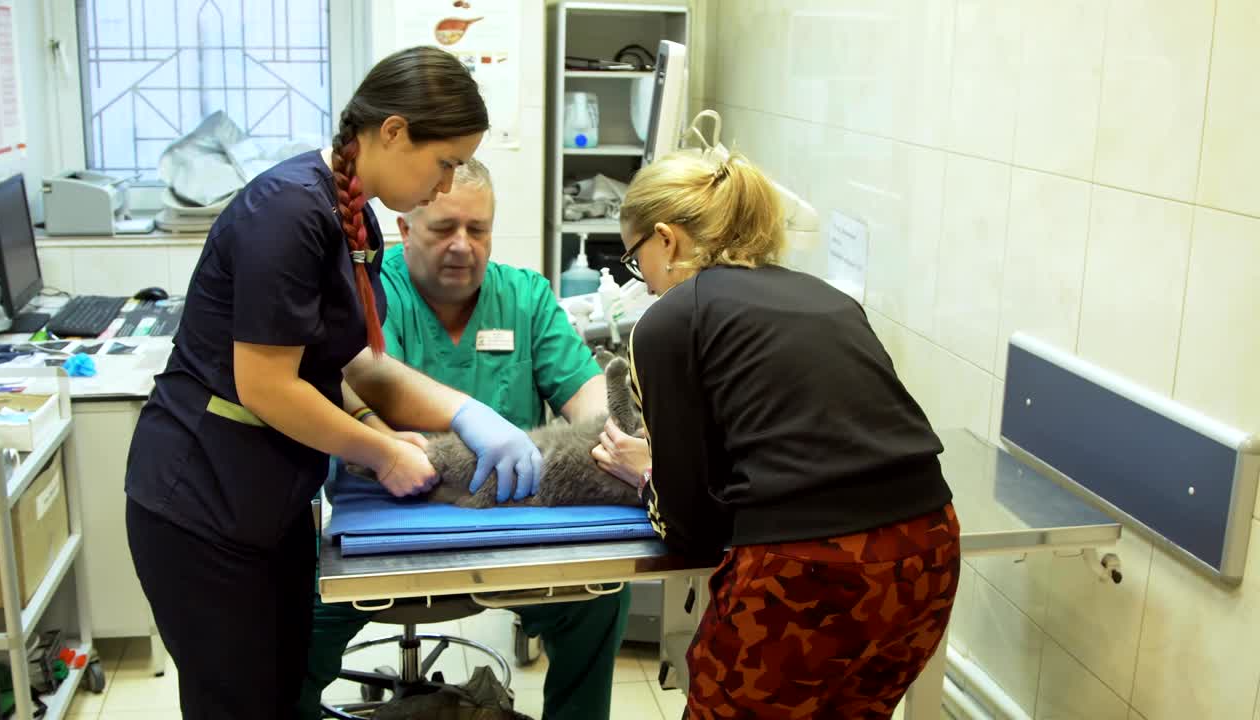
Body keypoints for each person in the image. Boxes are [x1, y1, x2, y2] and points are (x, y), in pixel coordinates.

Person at [124, 47, 546, 719]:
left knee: (281, 689)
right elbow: (265, 386)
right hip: (201, 502)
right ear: (395, 131)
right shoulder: (286, 213)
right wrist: (379, 452)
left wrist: (466, 413)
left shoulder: (354, 217)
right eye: (444, 163)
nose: (445, 186)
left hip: (270, 500)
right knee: (238, 701)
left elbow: (360, 363)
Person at [597, 149, 962, 719]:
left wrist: (649, 472)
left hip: (810, 570)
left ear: (666, 240)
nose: (641, 284)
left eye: (634, 259)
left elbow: (690, 529)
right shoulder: (827, 298)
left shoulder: (670, 319)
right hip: (929, 554)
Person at [299, 158, 635, 720]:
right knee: (298, 625)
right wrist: (389, 446)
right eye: (443, 229)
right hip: (389, 523)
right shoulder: (373, 295)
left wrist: (617, 439)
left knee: (599, 602)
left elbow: (587, 397)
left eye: (478, 230)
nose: (463, 246)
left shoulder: (524, 297)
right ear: (405, 229)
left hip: (515, 520)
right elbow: (347, 390)